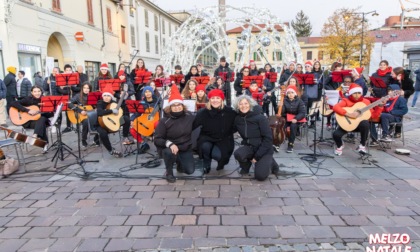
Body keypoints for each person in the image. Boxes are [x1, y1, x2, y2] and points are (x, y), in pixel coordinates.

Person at [154, 84, 196, 182]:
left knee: (190, 171)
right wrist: (170, 144)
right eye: (174, 105)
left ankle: (179, 164)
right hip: (170, 147)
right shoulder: (164, 121)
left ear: (182, 105)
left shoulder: (190, 116)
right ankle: (169, 172)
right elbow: (157, 139)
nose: (177, 107)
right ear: (170, 107)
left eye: (179, 105)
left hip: (185, 147)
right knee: (169, 152)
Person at [233, 95, 280, 181]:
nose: (243, 106)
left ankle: (272, 163)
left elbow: (268, 139)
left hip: (264, 149)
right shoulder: (237, 119)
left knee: (260, 176)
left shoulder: (260, 118)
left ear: (250, 104)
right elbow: (229, 130)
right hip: (250, 147)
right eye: (241, 104)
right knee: (238, 154)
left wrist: (257, 157)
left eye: (246, 103)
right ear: (237, 106)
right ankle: (245, 168)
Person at [193, 89, 236, 173]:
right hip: (207, 138)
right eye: (212, 98)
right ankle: (206, 162)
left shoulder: (230, 111)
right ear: (209, 99)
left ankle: (221, 162)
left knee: (218, 156)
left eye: (217, 98)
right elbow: (193, 126)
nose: (215, 100)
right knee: (205, 147)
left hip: (223, 140)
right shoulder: (203, 112)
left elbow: (237, 125)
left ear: (222, 99)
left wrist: (228, 132)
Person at [332, 83, 374, 156]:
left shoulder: (366, 102)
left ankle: (362, 145)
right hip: (348, 124)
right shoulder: (346, 101)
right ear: (351, 93)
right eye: (355, 93)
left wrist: (380, 107)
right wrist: (348, 114)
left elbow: (373, 115)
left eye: (359, 93)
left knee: (365, 123)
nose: (357, 95)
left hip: (360, 126)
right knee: (336, 135)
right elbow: (335, 107)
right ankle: (340, 145)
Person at [10, 86, 52, 153]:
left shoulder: (45, 100)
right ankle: (43, 143)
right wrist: (27, 110)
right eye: (35, 91)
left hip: (40, 121)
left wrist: (50, 111)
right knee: (42, 123)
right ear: (32, 92)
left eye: (39, 91)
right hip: (28, 122)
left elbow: (49, 115)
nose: (37, 93)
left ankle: (35, 135)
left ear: (41, 92)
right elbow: (13, 103)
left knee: (42, 118)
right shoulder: (28, 99)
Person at [95, 86, 125, 158]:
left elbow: (121, 110)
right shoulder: (100, 103)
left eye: (108, 95)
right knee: (103, 133)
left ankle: (126, 136)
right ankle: (110, 150)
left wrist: (124, 100)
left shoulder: (114, 103)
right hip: (100, 124)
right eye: (104, 95)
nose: (106, 97)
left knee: (126, 119)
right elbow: (99, 112)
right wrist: (111, 111)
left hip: (112, 123)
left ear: (111, 96)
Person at [281, 85, 306, 153]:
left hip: (296, 119)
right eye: (288, 93)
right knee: (281, 126)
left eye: (292, 92)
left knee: (293, 126)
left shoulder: (299, 101)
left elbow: (302, 112)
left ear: (295, 93)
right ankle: (278, 142)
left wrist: (296, 118)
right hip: (287, 118)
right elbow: (282, 113)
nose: (290, 94)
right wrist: (280, 105)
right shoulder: (284, 100)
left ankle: (290, 144)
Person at [68, 82, 93, 147]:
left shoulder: (93, 96)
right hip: (81, 115)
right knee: (86, 121)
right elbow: (69, 103)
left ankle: (97, 138)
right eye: (84, 88)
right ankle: (83, 139)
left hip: (91, 114)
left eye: (88, 88)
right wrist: (80, 110)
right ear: (82, 88)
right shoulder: (78, 96)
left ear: (90, 89)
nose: (86, 89)